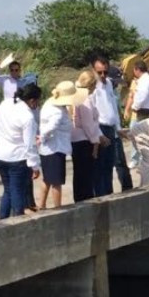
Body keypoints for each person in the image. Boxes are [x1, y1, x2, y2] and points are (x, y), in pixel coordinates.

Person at [0, 82, 41, 219]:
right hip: (17, 158)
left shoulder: (6, 103)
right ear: (32, 100)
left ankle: (3, 219)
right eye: (38, 101)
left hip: (0, 153)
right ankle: (18, 221)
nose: (38, 105)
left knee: (8, 190)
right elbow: (29, 145)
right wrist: (35, 166)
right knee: (17, 191)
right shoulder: (28, 117)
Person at [38, 81, 85, 209]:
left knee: (47, 179)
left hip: (48, 148)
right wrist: (42, 137)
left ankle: (41, 205)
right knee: (56, 182)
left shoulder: (49, 103)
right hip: (55, 148)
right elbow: (51, 127)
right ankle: (58, 208)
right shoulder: (57, 112)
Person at [90, 55, 132, 194]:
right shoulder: (92, 87)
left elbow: (113, 106)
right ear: (93, 70)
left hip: (112, 128)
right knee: (100, 167)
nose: (103, 75)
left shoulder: (108, 83)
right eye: (99, 72)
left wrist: (118, 128)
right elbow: (91, 114)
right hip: (100, 128)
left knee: (110, 164)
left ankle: (109, 194)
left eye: (105, 72)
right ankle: (102, 195)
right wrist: (99, 134)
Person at [70, 70, 105, 203]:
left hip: (76, 139)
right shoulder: (84, 99)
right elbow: (88, 124)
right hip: (84, 141)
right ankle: (85, 201)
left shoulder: (76, 96)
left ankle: (80, 200)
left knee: (79, 175)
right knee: (85, 176)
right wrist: (96, 142)